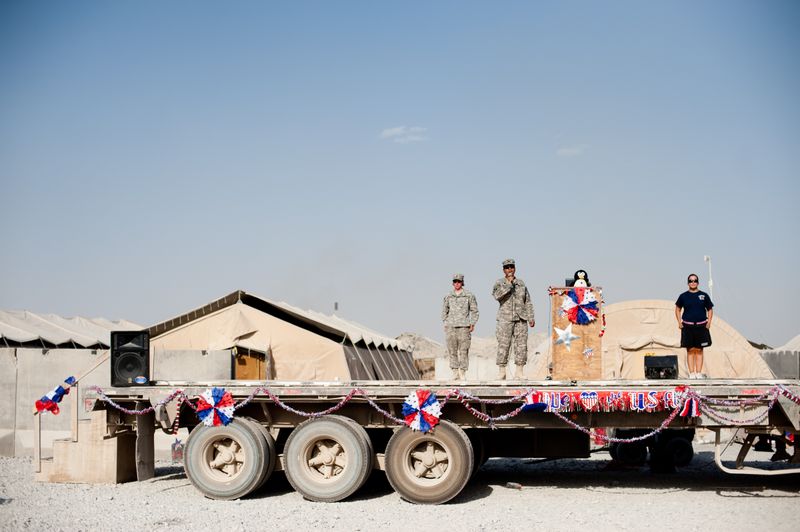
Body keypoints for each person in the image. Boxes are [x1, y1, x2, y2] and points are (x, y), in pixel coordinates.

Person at [492, 259, 535, 380]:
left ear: (514, 268)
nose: (509, 269)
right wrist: (509, 285)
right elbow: (496, 296)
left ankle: (519, 372)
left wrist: (531, 317)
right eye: (507, 267)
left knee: (521, 345)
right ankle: (502, 371)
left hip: (521, 318)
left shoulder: (521, 283)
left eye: (511, 267)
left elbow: (527, 301)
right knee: (504, 345)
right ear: (503, 270)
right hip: (505, 319)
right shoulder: (499, 283)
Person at [441, 273, 479, 381]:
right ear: (453, 283)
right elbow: (444, 310)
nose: (457, 284)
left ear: (462, 282)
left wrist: (472, 323)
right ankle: (455, 372)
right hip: (451, 327)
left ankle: (462, 372)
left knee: (463, 350)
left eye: (459, 281)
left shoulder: (469, 295)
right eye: (455, 282)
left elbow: (474, 310)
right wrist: (446, 322)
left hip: (464, 327)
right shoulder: (448, 296)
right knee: (452, 350)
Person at [675, 273, 714, 379]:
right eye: (691, 281)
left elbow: (710, 309)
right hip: (688, 326)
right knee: (690, 350)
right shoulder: (683, 296)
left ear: (698, 282)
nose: (693, 283)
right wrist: (679, 322)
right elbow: (677, 309)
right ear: (688, 283)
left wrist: (709, 322)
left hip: (701, 326)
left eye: (695, 280)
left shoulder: (704, 295)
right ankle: (692, 373)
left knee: (699, 350)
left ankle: (698, 373)